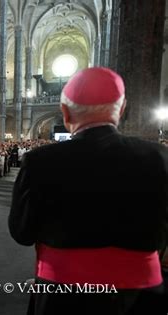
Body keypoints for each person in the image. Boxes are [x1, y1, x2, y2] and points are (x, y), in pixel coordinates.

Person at [9, 67, 168, 315]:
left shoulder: (39, 162)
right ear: (123, 108)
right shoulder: (161, 158)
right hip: (139, 297)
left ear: (64, 112)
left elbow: (22, 232)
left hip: (62, 296)